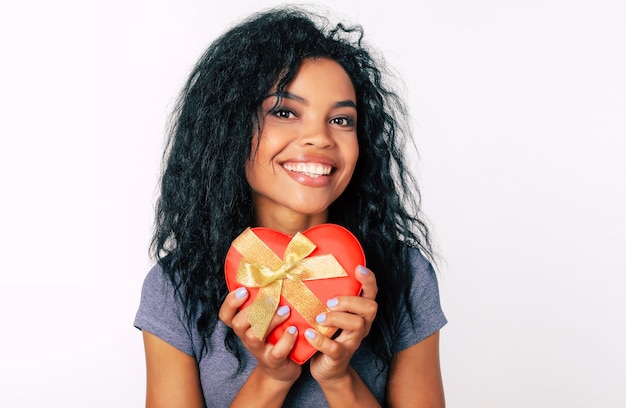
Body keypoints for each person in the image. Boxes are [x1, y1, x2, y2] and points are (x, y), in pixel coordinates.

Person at [134, 5, 447, 407]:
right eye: (285, 112)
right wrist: (272, 377)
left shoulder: (407, 275)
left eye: (341, 120)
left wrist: (337, 377)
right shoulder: (174, 289)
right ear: (230, 129)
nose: (319, 137)